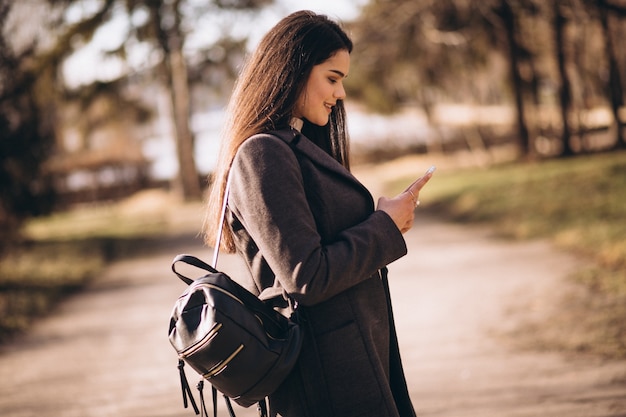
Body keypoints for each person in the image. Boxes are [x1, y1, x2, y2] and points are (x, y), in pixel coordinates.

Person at [204, 10, 433, 417]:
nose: (340, 94)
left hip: (351, 361)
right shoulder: (262, 154)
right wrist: (385, 225)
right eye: (332, 78)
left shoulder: (291, 146)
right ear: (292, 70)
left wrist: (382, 220)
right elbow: (306, 276)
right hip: (324, 376)